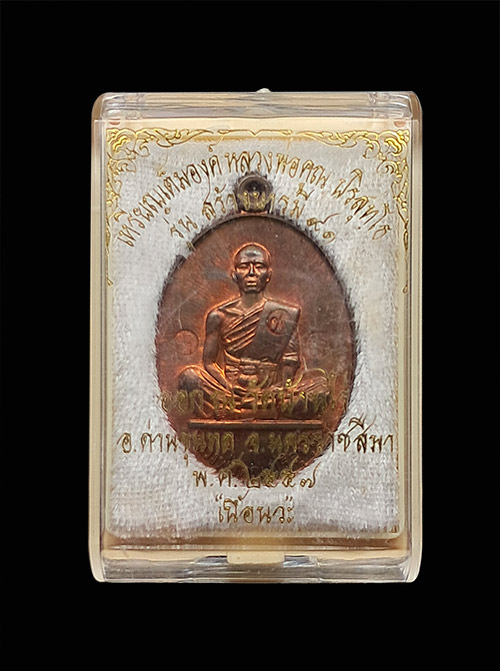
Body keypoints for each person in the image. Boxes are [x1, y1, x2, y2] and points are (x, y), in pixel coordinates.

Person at [178, 243, 329, 418]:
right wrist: (228, 386)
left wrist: (279, 389)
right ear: (234, 274)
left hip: (272, 392)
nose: (251, 272)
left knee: (321, 388)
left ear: (268, 275)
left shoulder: (282, 314)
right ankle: (257, 411)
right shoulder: (218, 315)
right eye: (244, 266)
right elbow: (209, 362)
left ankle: (240, 412)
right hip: (231, 391)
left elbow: (291, 361)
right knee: (189, 377)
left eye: (259, 266)